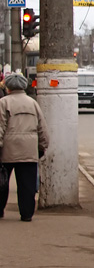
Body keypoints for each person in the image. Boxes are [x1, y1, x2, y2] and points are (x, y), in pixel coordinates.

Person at [0, 73, 50, 221]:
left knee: (2, 182)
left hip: (7, 151)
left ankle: (0, 210)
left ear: (8, 87)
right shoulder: (32, 103)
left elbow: (0, 127)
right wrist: (42, 146)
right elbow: (42, 128)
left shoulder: (3, 103)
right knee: (27, 185)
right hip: (29, 150)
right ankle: (27, 214)